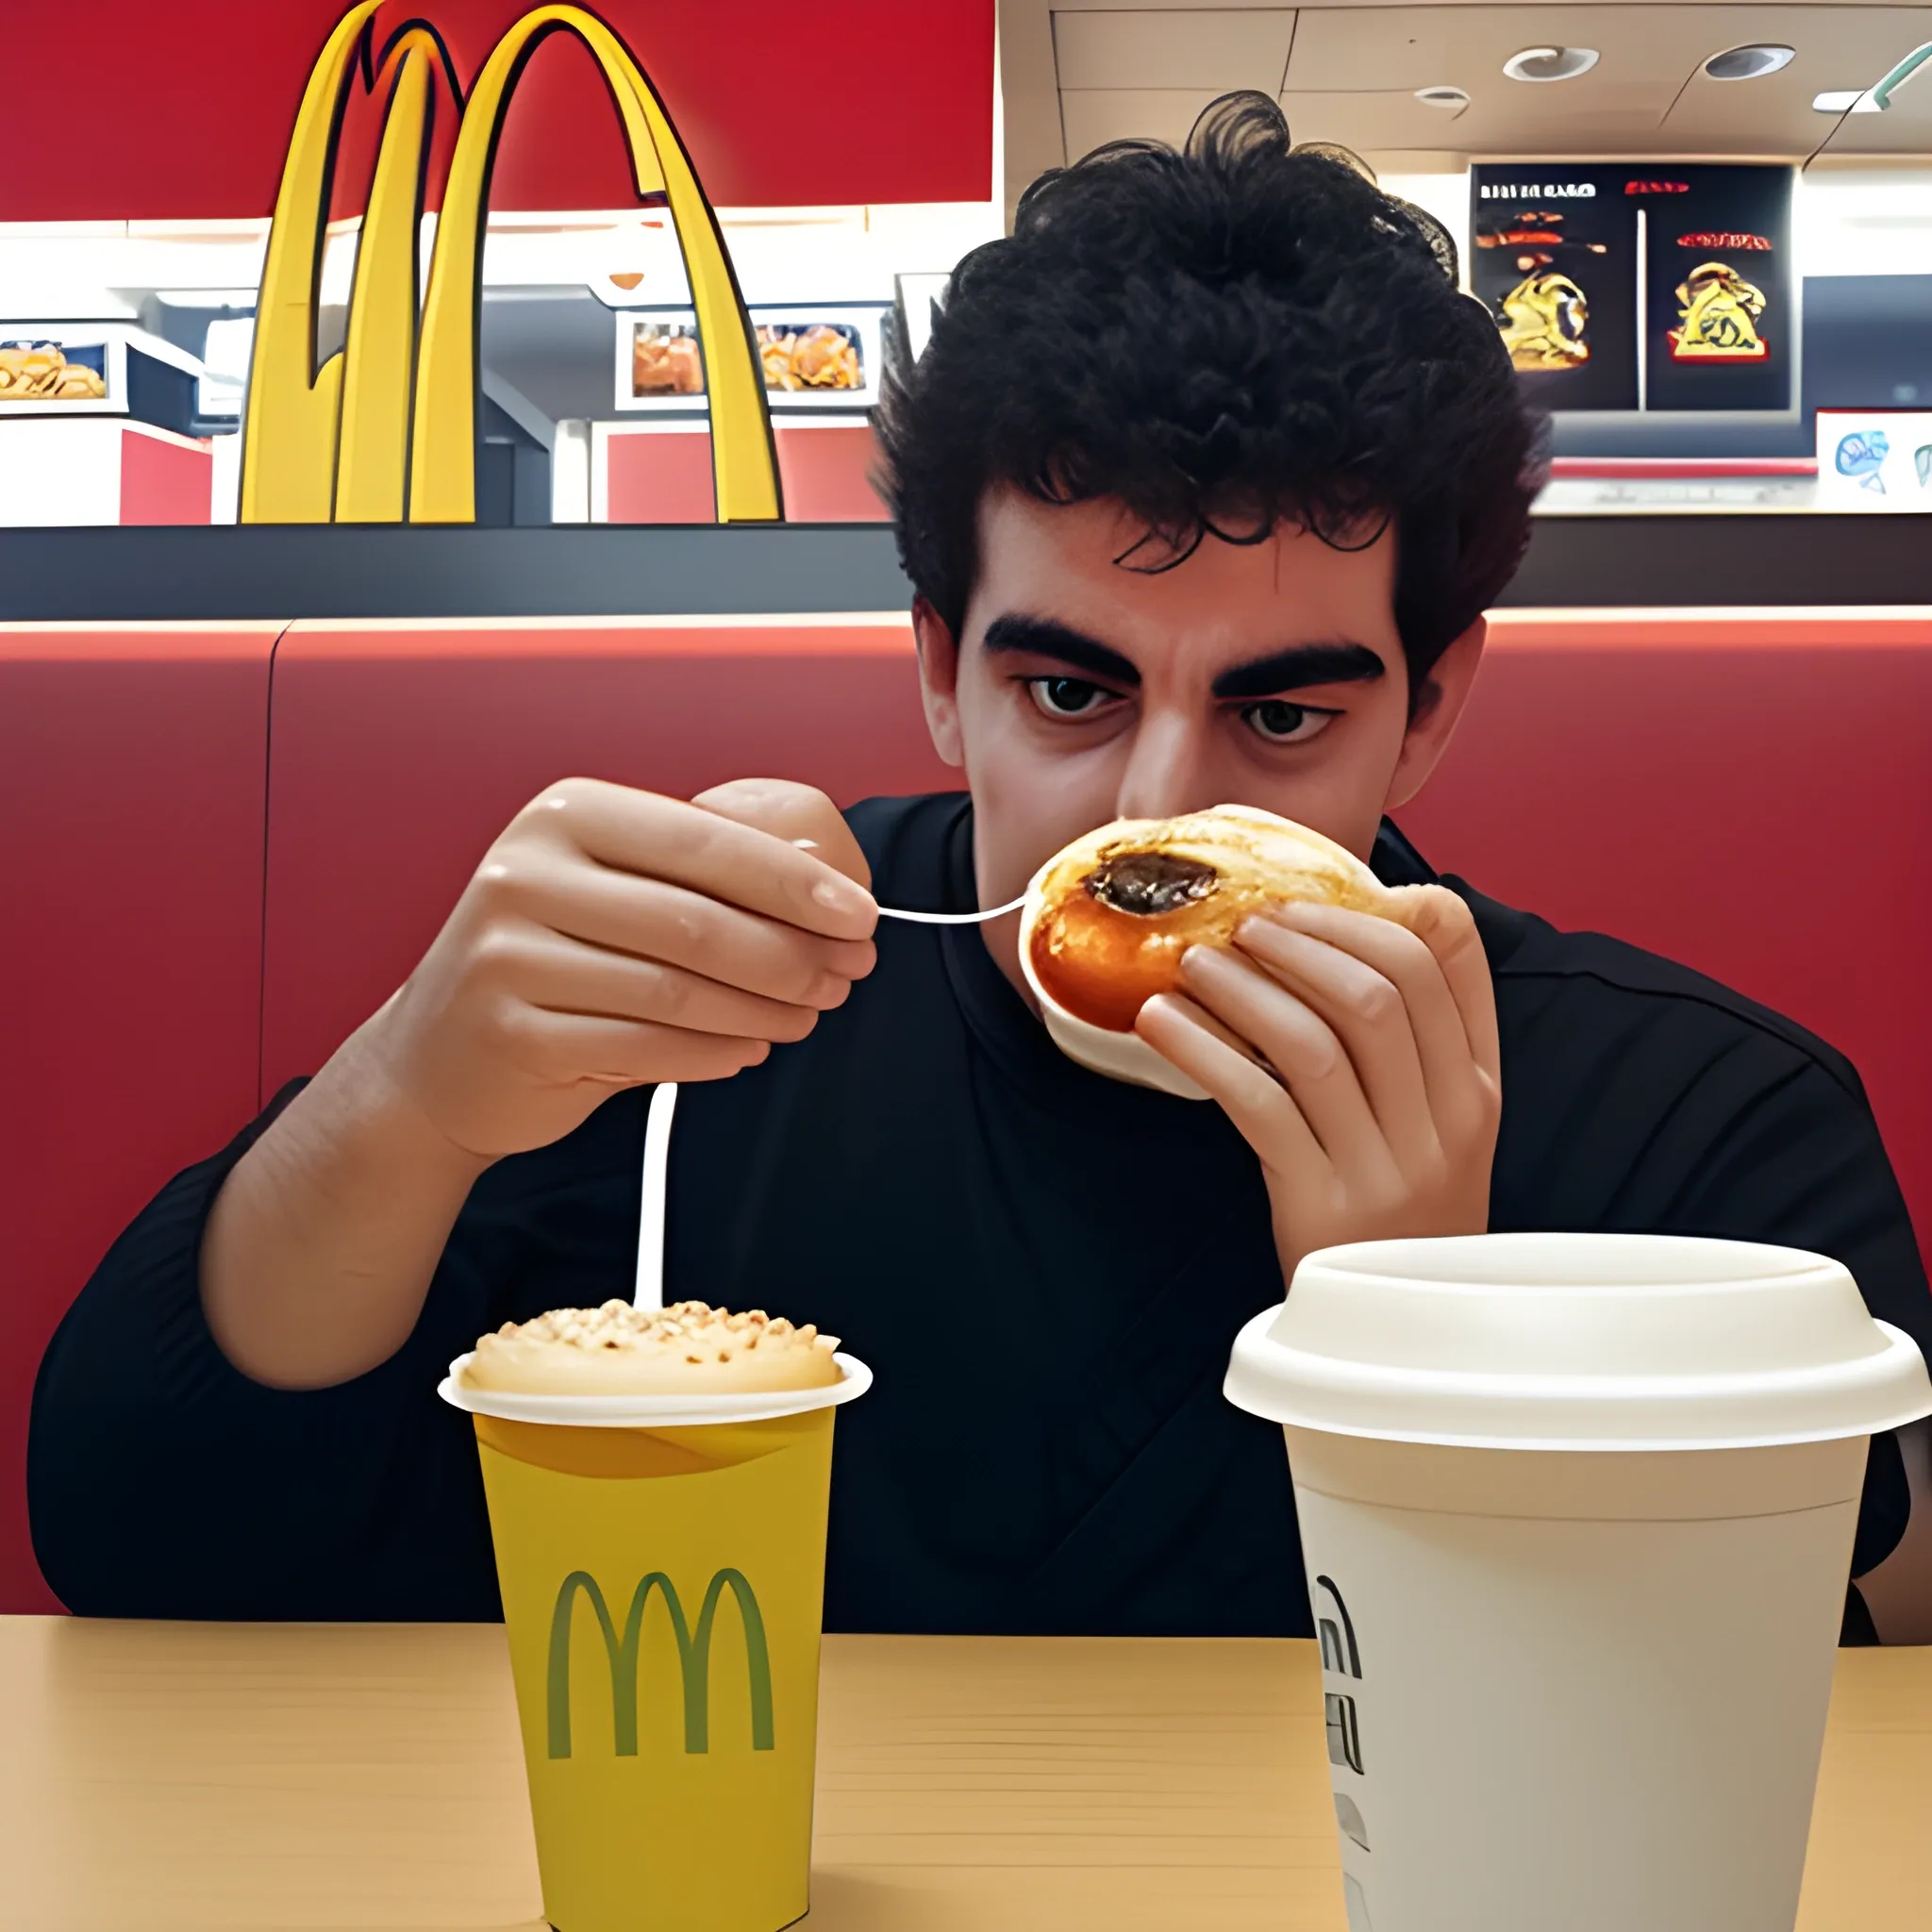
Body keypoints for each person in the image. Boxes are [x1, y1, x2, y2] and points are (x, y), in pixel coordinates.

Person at [29, 95, 1932, 1639]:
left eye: (1282, 718)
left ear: (1428, 710)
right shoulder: (702, 1018)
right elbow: (131, 1525)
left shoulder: (1687, 1112)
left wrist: (1416, 1320)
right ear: (939, 674)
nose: (1146, 812)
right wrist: (413, 1086)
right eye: (1070, 688)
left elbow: (1860, 1665)